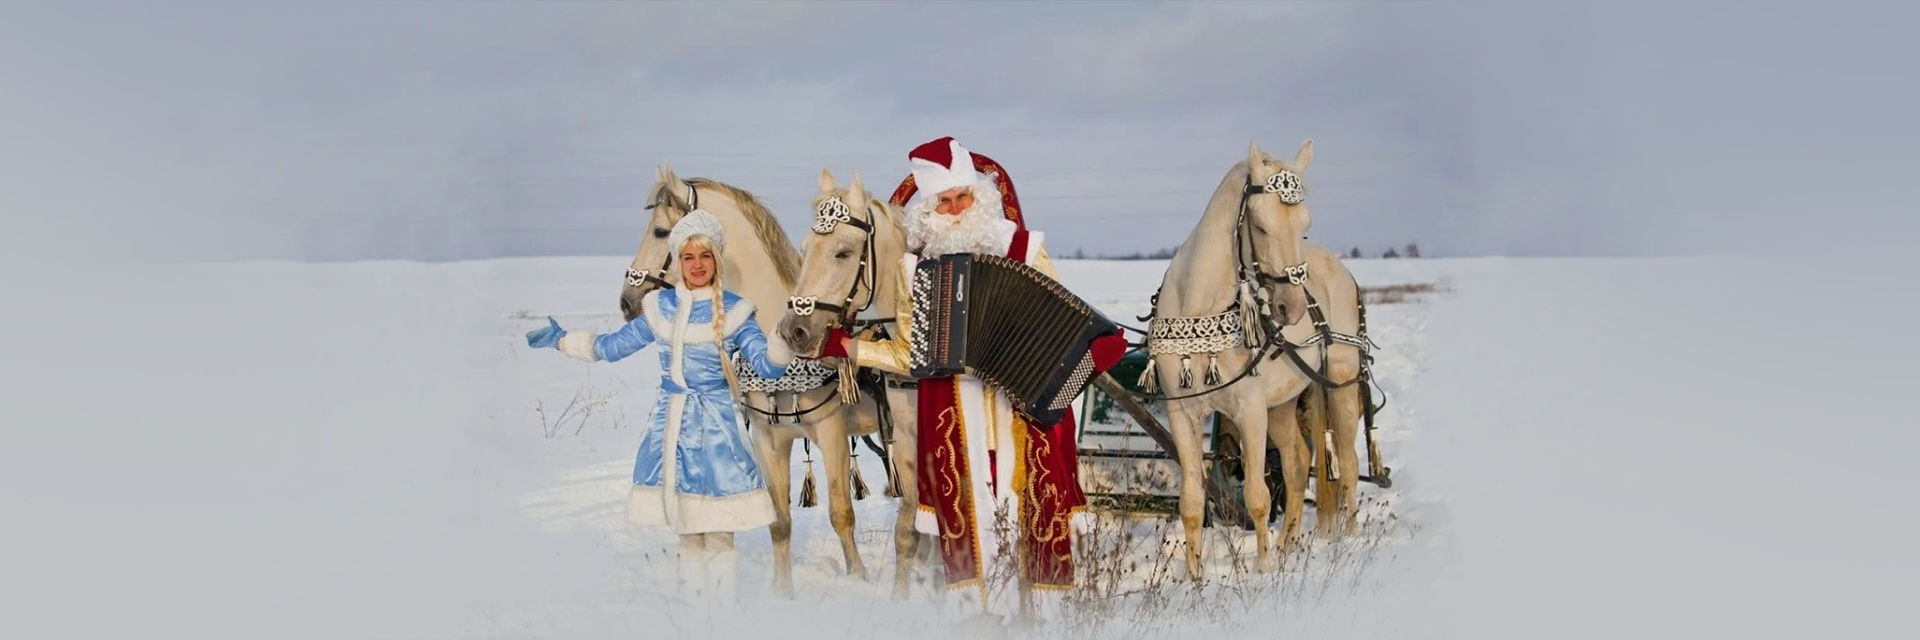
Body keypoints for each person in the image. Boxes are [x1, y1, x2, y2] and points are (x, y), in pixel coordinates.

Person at [817, 137, 1128, 629]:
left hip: (1022, 408)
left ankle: (1044, 622)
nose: (956, 209)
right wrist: (851, 349)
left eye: (963, 196)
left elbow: (1060, 321)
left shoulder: (1025, 249)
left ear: (980, 197)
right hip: (954, 410)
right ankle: (978, 623)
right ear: (928, 209)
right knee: (970, 513)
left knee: (1030, 509)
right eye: (943, 201)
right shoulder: (915, 269)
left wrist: (1093, 347)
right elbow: (909, 352)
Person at [525, 209, 791, 612]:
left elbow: (768, 364)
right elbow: (612, 348)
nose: (697, 265)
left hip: (718, 433)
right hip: (671, 430)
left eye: (704, 256)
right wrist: (563, 340)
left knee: (719, 532)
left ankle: (720, 617)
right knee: (686, 530)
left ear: (716, 260)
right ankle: (692, 614)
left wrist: (789, 336)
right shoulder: (659, 307)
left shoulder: (737, 311)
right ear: (677, 262)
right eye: (688, 257)